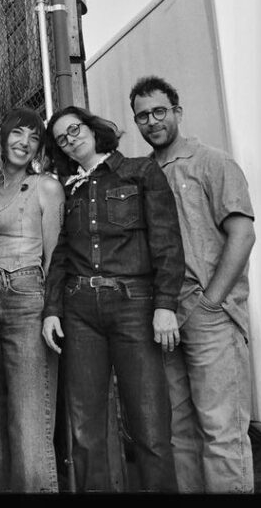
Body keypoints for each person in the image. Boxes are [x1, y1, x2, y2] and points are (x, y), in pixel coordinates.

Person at [41, 105, 184, 492]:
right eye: (61, 139)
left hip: (134, 305)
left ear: (92, 127)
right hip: (80, 311)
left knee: (150, 426)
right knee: (85, 429)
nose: (70, 140)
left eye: (74, 130)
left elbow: (167, 242)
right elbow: (62, 254)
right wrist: (52, 310)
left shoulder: (140, 172)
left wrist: (165, 305)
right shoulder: (71, 187)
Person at [129, 76, 257, 493]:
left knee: (222, 431)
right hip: (163, 314)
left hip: (208, 313)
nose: (152, 121)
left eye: (159, 111)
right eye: (143, 116)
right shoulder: (143, 173)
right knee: (179, 432)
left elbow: (243, 234)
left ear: (177, 112)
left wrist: (212, 302)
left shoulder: (211, 162)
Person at [0, 107, 64, 493]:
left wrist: (52, 311)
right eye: (18, 133)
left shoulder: (45, 186)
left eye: (33, 137)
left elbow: (56, 256)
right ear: (3, 136)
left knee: (29, 415)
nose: (24, 143)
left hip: (27, 292)